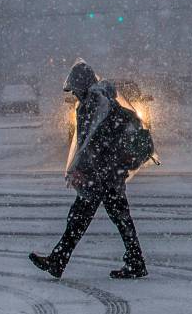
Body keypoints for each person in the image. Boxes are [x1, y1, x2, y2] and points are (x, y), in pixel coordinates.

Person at [30, 59, 148, 279]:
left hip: (101, 174)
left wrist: (82, 170)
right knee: (114, 217)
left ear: (82, 85)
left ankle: (59, 260)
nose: (74, 94)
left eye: (75, 90)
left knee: (82, 217)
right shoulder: (103, 100)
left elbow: (93, 143)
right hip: (110, 171)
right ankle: (135, 260)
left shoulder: (93, 104)